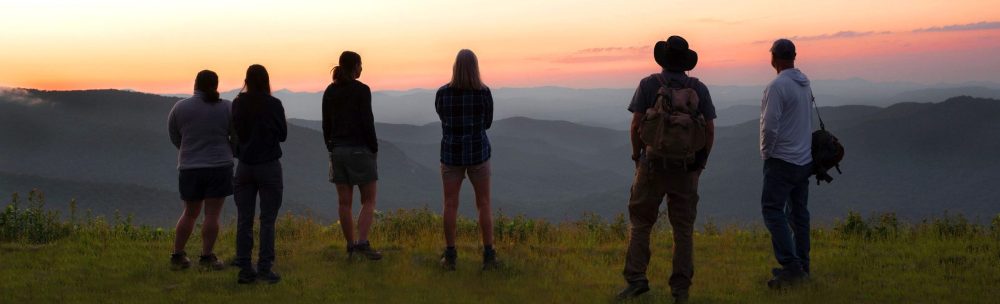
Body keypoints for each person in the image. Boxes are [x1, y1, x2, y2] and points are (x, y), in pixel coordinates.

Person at [618, 36, 717, 303]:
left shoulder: (649, 85)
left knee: (641, 223)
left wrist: (637, 156)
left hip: (652, 166)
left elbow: (636, 124)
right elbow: (708, 129)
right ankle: (681, 290)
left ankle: (636, 280)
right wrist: (700, 163)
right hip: (686, 169)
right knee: (683, 230)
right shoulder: (699, 88)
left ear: (663, 59)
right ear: (685, 63)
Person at [434, 49, 498, 271]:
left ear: (455, 67)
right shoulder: (484, 93)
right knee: (484, 204)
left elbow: (442, 117)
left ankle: (451, 255)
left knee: (450, 204)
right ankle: (489, 256)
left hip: (451, 155)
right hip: (478, 154)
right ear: (475, 68)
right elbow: (487, 123)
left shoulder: (443, 93)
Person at [759, 38, 814, 289]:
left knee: (772, 210)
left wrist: (766, 153)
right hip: (804, 160)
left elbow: (769, 127)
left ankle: (791, 267)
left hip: (782, 160)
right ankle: (802, 264)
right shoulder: (804, 83)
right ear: (793, 56)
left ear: (774, 58)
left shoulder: (777, 86)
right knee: (799, 214)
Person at [166, 70, 233, 271]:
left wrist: (188, 151)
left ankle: (178, 255)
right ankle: (206, 257)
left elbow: (175, 136)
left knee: (189, 213)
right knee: (212, 215)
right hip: (219, 166)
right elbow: (236, 136)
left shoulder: (180, 108)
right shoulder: (227, 108)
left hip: (190, 168)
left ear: (195, 84)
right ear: (216, 85)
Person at [322, 51, 382, 260]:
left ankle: (350, 246)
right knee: (368, 200)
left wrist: (331, 147)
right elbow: (367, 122)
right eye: (360, 64)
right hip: (360, 149)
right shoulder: (362, 90)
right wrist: (373, 148)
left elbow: (326, 124)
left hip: (337, 150)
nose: (362, 68)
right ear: (355, 66)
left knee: (344, 203)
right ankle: (362, 243)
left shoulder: (330, 91)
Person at [232, 64, 287, 284]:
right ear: (266, 81)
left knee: (244, 219)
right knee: (267, 220)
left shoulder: (237, 103)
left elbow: (235, 132)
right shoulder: (274, 104)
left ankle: (245, 268)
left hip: (244, 166)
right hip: (269, 165)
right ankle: (265, 268)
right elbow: (282, 135)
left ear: (246, 80)